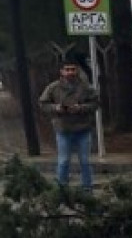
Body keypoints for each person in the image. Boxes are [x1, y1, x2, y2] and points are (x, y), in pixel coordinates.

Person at [38, 60, 100, 192]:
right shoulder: (53, 87)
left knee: (85, 161)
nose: (70, 72)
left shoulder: (86, 87)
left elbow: (95, 103)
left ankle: (87, 189)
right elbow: (43, 103)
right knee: (63, 161)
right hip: (63, 129)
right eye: (67, 69)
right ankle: (62, 190)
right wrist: (56, 108)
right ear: (61, 71)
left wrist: (81, 108)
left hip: (83, 129)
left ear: (77, 71)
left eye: (73, 69)